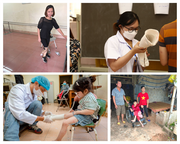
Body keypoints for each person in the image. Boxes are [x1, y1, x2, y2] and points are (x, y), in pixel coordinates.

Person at [3, 76, 54, 141]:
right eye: (43, 90)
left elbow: (31, 107)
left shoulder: (34, 94)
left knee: (38, 103)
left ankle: (31, 125)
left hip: (23, 117)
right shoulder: (18, 89)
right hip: (14, 116)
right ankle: (10, 137)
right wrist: (43, 119)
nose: (43, 93)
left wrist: (44, 112)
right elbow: (20, 113)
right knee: (11, 108)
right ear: (36, 84)